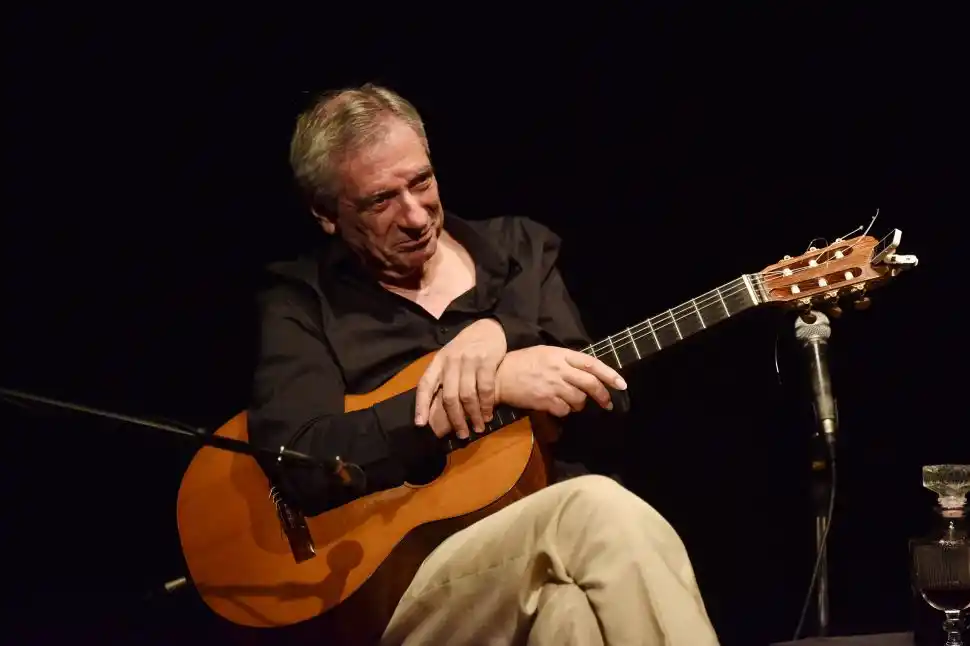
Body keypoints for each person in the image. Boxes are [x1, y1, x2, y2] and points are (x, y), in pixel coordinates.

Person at [248, 84, 719, 646]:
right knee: (596, 509)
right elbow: (302, 460)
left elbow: (609, 405)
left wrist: (503, 336)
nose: (416, 215)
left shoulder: (519, 252)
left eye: (421, 181)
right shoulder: (302, 302)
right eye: (381, 201)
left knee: (569, 616)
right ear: (326, 215)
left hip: (539, 547)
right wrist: (485, 390)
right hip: (403, 588)